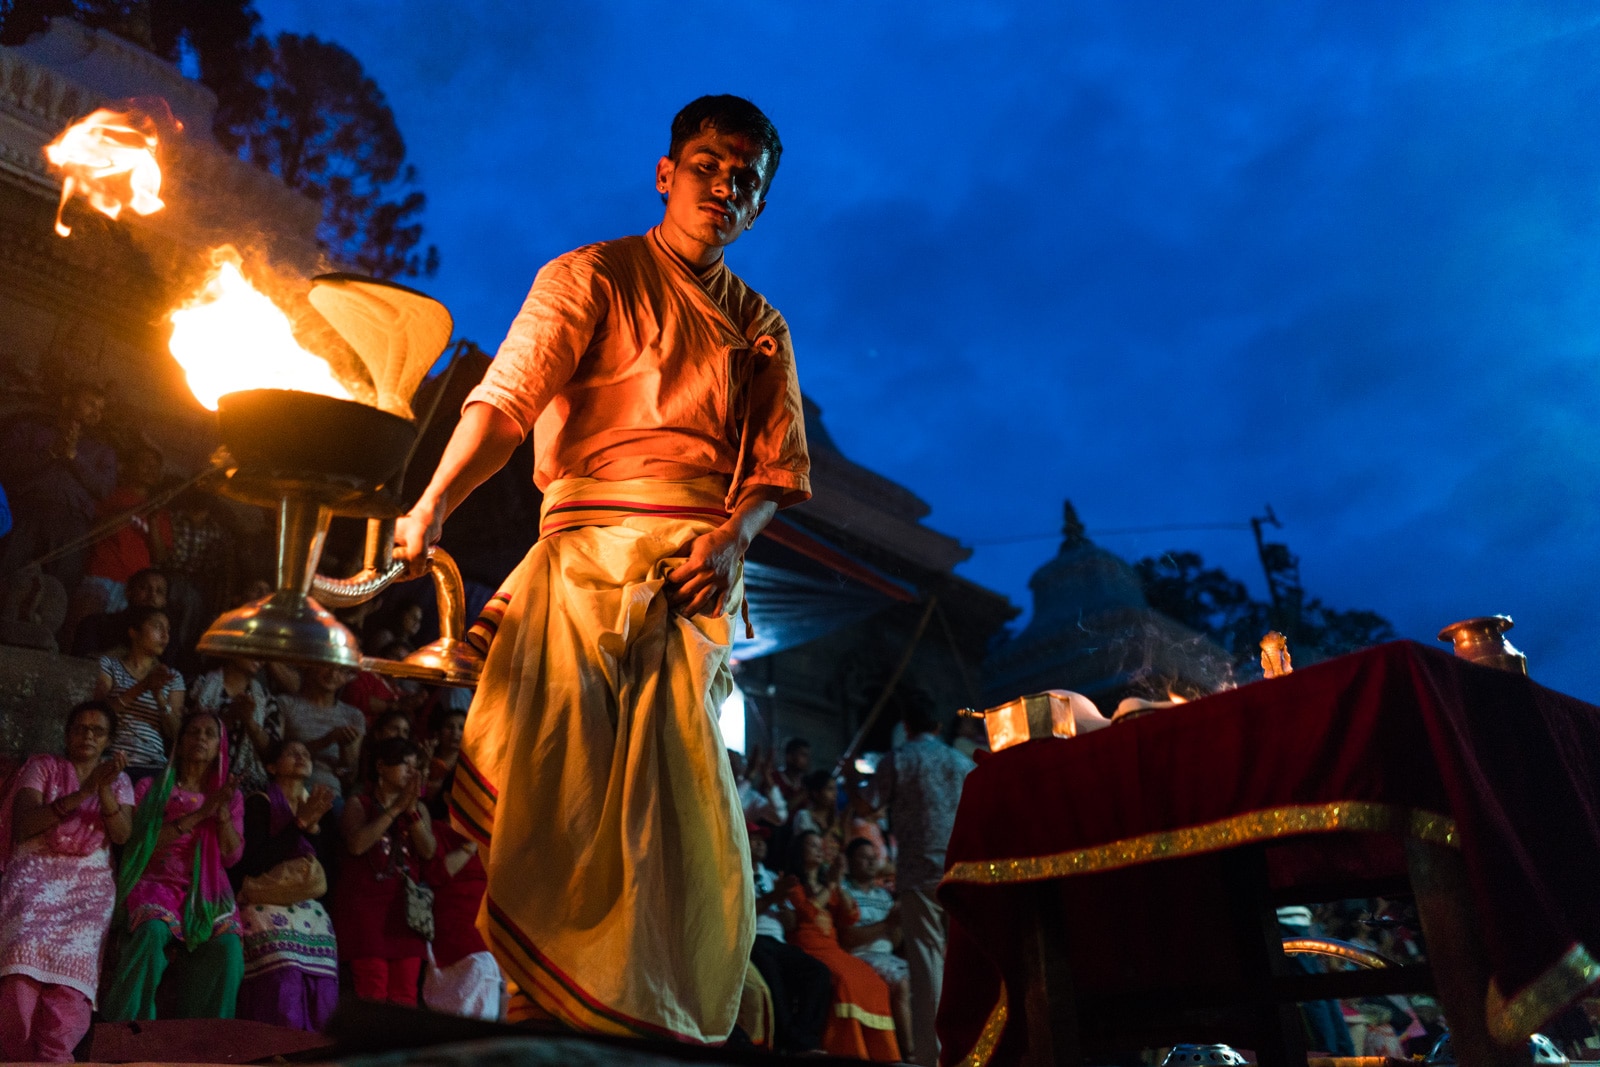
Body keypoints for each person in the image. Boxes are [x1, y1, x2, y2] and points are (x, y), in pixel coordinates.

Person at [394, 94, 809, 1042]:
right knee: (562, 802)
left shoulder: (764, 328)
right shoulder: (590, 275)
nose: (723, 186)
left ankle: (653, 1026)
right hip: (582, 569)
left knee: (680, 828)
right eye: (707, 165)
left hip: (695, 587)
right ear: (666, 173)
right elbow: (505, 403)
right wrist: (433, 504)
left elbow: (775, 473)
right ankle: (545, 1020)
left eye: (745, 179)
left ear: (758, 205)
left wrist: (731, 540)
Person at [0, 701, 133, 1061]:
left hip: (88, 883)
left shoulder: (120, 781)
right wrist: (84, 791)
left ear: (108, 740)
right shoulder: (43, 767)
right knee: (21, 965)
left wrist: (103, 788)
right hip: (35, 871)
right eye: (81, 728)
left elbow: (121, 834)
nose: (88, 735)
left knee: (71, 978)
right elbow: (26, 823)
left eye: (98, 730)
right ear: (67, 734)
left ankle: (56, 1056)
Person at [102, 711, 246, 1021]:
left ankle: (205, 1044)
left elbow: (232, 857)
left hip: (207, 887)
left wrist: (221, 817)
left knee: (228, 948)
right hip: (157, 879)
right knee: (152, 929)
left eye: (210, 734)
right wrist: (198, 815)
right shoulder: (151, 789)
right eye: (194, 732)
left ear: (219, 747)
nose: (201, 739)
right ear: (179, 744)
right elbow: (140, 845)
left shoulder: (229, 797)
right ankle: (127, 1035)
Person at [860, 689, 975, 1066]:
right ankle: (975, 1048)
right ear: (939, 726)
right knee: (963, 962)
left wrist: (849, 779)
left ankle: (935, 1057)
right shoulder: (960, 763)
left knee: (927, 965)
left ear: (905, 727)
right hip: (961, 870)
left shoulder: (899, 759)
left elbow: (868, 805)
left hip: (917, 873)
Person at [231, 739, 339, 1031]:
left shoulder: (319, 807)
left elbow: (326, 870)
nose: (301, 756)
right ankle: (278, 1048)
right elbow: (253, 863)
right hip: (265, 899)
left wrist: (312, 825)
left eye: (306, 754)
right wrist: (299, 825)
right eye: (292, 753)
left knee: (323, 976)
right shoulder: (259, 802)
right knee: (285, 969)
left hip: (308, 904)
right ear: (271, 766)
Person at [330, 738, 435, 1006]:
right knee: (372, 990)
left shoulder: (418, 809)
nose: (411, 772)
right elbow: (357, 844)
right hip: (366, 908)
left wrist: (411, 813)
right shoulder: (358, 803)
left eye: (415, 767)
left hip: (406, 911)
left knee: (405, 995)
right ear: (381, 767)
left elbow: (428, 851)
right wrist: (395, 809)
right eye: (404, 764)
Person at [783, 831, 900, 1061]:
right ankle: (847, 1050)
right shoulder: (793, 884)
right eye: (812, 845)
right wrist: (832, 885)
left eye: (820, 846)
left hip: (833, 949)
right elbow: (808, 913)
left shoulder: (830, 884)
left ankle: (877, 1053)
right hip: (809, 948)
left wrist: (838, 886)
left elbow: (851, 916)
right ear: (799, 852)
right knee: (845, 981)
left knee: (875, 982)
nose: (819, 849)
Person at [0, 382, 117, 589]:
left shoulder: (102, 452)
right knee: (5, 575)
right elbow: (7, 465)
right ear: (67, 401)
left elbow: (104, 489)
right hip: (24, 513)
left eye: (101, 409)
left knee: (57, 589)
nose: (96, 413)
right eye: (90, 404)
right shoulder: (30, 431)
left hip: (70, 524)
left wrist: (73, 457)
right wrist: (51, 453)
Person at [63, 442, 170, 645]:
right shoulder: (111, 496)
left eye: (155, 466)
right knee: (81, 632)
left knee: (119, 642)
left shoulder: (161, 513)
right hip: (101, 576)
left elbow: (160, 557)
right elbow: (94, 530)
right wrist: (128, 511)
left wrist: (154, 519)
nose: (150, 469)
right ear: (129, 466)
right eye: (144, 463)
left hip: (137, 589)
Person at [746, 824, 829, 1054]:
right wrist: (775, 895)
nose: (760, 843)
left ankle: (806, 1040)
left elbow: (791, 923)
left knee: (819, 973)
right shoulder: (735, 871)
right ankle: (790, 1042)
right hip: (753, 940)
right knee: (773, 977)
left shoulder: (772, 876)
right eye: (753, 839)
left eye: (762, 839)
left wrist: (783, 902)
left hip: (778, 941)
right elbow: (742, 915)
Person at [94, 605, 185, 780]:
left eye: (168, 630)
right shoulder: (109, 665)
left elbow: (176, 734)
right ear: (134, 631)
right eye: (158, 627)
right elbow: (98, 714)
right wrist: (142, 687)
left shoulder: (172, 678)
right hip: (112, 759)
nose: (165, 636)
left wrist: (159, 696)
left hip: (152, 765)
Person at [423, 817, 501, 1020]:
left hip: (481, 948)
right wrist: (471, 845)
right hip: (450, 944)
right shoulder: (438, 831)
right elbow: (434, 874)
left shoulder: (494, 839)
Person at [840, 836, 912, 1056]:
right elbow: (848, 938)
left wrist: (898, 922)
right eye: (864, 857)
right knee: (901, 983)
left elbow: (896, 941)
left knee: (930, 979)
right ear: (849, 861)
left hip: (888, 956)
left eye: (874, 858)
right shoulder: (845, 893)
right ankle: (909, 1053)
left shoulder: (883, 895)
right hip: (862, 956)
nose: (871, 863)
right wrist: (887, 924)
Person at [190, 656, 279, 795]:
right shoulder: (200, 685)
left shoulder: (266, 699)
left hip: (247, 788)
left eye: (263, 652)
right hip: (200, 778)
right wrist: (230, 716)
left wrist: (249, 720)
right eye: (252, 647)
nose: (259, 656)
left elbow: (273, 752)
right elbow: (185, 732)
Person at [278, 664, 363, 796]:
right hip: (291, 791)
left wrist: (345, 749)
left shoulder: (353, 716)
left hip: (330, 794)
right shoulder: (286, 703)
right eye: (327, 665)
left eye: (341, 671)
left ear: (348, 677)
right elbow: (275, 753)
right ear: (312, 665)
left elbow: (349, 775)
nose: (333, 674)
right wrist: (328, 739)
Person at [72, 565, 168, 657]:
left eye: (159, 591)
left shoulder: (167, 639)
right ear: (128, 592)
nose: (152, 595)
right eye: (144, 588)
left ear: (165, 601)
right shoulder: (96, 624)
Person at [773, 737, 811, 812]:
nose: (807, 760)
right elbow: (779, 810)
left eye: (807, 756)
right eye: (803, 755)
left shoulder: (805, 782)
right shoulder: (774, 778)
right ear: (789, 756)